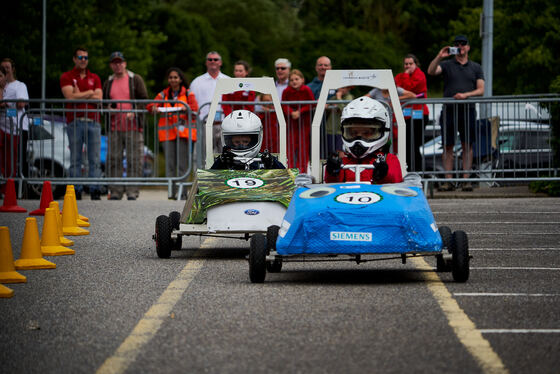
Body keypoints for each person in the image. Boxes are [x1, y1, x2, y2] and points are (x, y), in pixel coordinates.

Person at [428, 35, 485, 192]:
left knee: (468, 145)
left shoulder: (476, 67)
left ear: (468, 47)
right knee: (448, 146)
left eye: (463, 44)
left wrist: (465, 95)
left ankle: (465, 180)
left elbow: (481, 90)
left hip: (468, 110)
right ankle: (448, 180)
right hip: (449, 110)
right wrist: (439, 56)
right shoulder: (447, 65)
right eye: (457, 44)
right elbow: (431, 71)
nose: (460, 47)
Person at [324, 97, 403, 184]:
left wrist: (383, 176)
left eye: (366, 133)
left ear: (383, 131)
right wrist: (331, 172)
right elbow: (331, 189)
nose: (359, 140)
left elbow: (396, 187)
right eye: (353, 133)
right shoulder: (343, 161)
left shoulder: (389, 159)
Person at [102, 51, 149, 201]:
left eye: (120, 62)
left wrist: (135, 112)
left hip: (133, 127)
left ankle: (132, 191)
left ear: (125, 63)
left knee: (134, 159)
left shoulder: (135, 79)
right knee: (113, 159)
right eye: (115, 62)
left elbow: (144, 100)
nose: (118, 65)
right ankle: (115, 191)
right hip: (114, 127)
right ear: (111, 65)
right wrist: (108, 109)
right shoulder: (108, 82)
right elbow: (103, 103)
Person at [60, 47, 103, 200]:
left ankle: (95, 189)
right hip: (75, 122)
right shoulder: (66, 76)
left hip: (93, 121)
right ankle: (75, 190)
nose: (83, 60)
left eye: (85, 57)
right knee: (75, 159)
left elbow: (99, 99)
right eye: (80, 57)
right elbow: (70, 97)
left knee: (94, 159)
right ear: (74, 59)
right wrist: (90, 93)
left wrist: (79, 94)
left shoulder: (95, 77)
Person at [147, 67, 198, 181]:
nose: (173, 80)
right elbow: (150, 106)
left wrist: (187, 108)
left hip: (183, 133)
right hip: (167, 134)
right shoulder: (163, 94)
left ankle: (182, 192)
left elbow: (195, 110)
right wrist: (154, 108)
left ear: (180, 79)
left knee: (182, 164)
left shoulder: (188, 93)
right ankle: (172, 192)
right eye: (170, 77)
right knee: (170, 164)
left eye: (175, 77)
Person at [211, 109, 284, 170]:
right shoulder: (223, 160)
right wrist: (221, 163)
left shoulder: (265, 159)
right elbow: (209, 180)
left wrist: (271, 165)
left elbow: (288, 178)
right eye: (237, 142)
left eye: (245, 142)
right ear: (229, 141)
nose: (241, 145)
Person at [395, 54, 430, 172]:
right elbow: (395, 87)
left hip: (419, 114)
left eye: (410, 64)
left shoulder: (420, 75)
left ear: (416, 64)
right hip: (406, 114)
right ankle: (408, 170)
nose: (408, 66)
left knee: (414, 144)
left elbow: (408, 86)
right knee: (406, 144)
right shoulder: (400, 76)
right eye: (406, 64)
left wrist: (405, 76)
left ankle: (417, 170)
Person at [190, 51, 230, 153]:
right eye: (210, 59)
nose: (213, 61)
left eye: (215, 59)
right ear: (206, 62)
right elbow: (192, 104)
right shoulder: (196, 82)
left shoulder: (228, 81)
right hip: (204, 124)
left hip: (224, 124)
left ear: (220, 62)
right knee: (203, 155)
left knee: (225, 156)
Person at [0, 59, 29, 191]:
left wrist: (8, 103)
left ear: (13, 69)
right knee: (5, 160)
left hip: (18, 127)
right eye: (3, 68)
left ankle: (20, 190)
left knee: (18, 160)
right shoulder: (1, 87)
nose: (5, 70)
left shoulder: (19, 86)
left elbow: (21, 104)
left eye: (7, 67)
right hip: (3, 127)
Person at [281, 69, 314, 172]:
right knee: (290, 147)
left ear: (302, 80)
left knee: (303, 147)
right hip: (291, 123)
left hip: (304, 123)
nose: (294, 82)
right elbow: (283, 105)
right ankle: (289, 170)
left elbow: (312, 103)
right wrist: (291, 112)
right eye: (291, 80)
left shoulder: (306, 89)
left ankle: (303, 171)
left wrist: (300, 111)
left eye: (296, 79)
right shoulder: (286, 91)